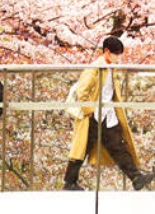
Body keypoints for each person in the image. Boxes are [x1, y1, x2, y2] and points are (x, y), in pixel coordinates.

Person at [63, 36, 155, 191]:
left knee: (117, 145)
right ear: (106, 51)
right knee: (83, 147)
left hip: (106, 114)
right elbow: (82, 90)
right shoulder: (95, 68)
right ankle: (69, 182)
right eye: (116, 53)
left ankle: (136, 177)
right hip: (94, 115)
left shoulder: (109, 67)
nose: (118, 57)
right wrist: (88, 110)